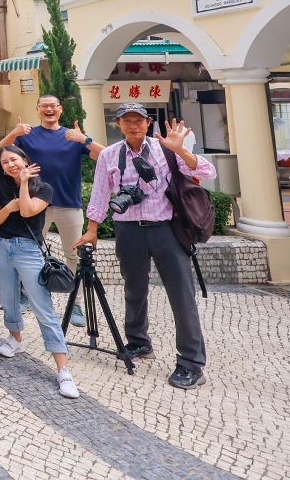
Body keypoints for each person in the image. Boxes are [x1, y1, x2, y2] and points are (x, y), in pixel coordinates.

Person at [75, 103, 216, 390]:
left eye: (138, 120)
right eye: (126, 120)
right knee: (133, 289)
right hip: (128, 230)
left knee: (181, 296)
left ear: (148, 122)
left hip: (166, 229)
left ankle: (191, 363)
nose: (133, 125)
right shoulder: (110, 155)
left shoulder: (166, 149)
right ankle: (138, 341)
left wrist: (181, 150)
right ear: (118, 124)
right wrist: (92, 229)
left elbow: (207, 172)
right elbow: (100, 192)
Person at [0, 95, 104, 327]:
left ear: (60, 109)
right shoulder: (27, 135)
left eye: (53, 106)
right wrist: (14, 133)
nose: (49, 109)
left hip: (69, 204)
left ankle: (75, 303)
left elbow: (106, 156)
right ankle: (25, 294)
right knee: (29, 252)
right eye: (44, 106)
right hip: (36, 204)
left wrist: (84, 139)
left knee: (73, 255)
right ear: (38, 110)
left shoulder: (72, 136)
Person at [0, 146, 80, 398]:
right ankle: (15, 339)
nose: (10, 165)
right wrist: (8, 208)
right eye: (5, 162)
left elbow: (28, 210)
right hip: (2, 246)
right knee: (8, 298)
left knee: (42, 306)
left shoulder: (44, 188)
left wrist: (23, 184)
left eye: (14, 159)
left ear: (25, 160)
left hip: (28, 250)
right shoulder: (1, 188)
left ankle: (63, 370)